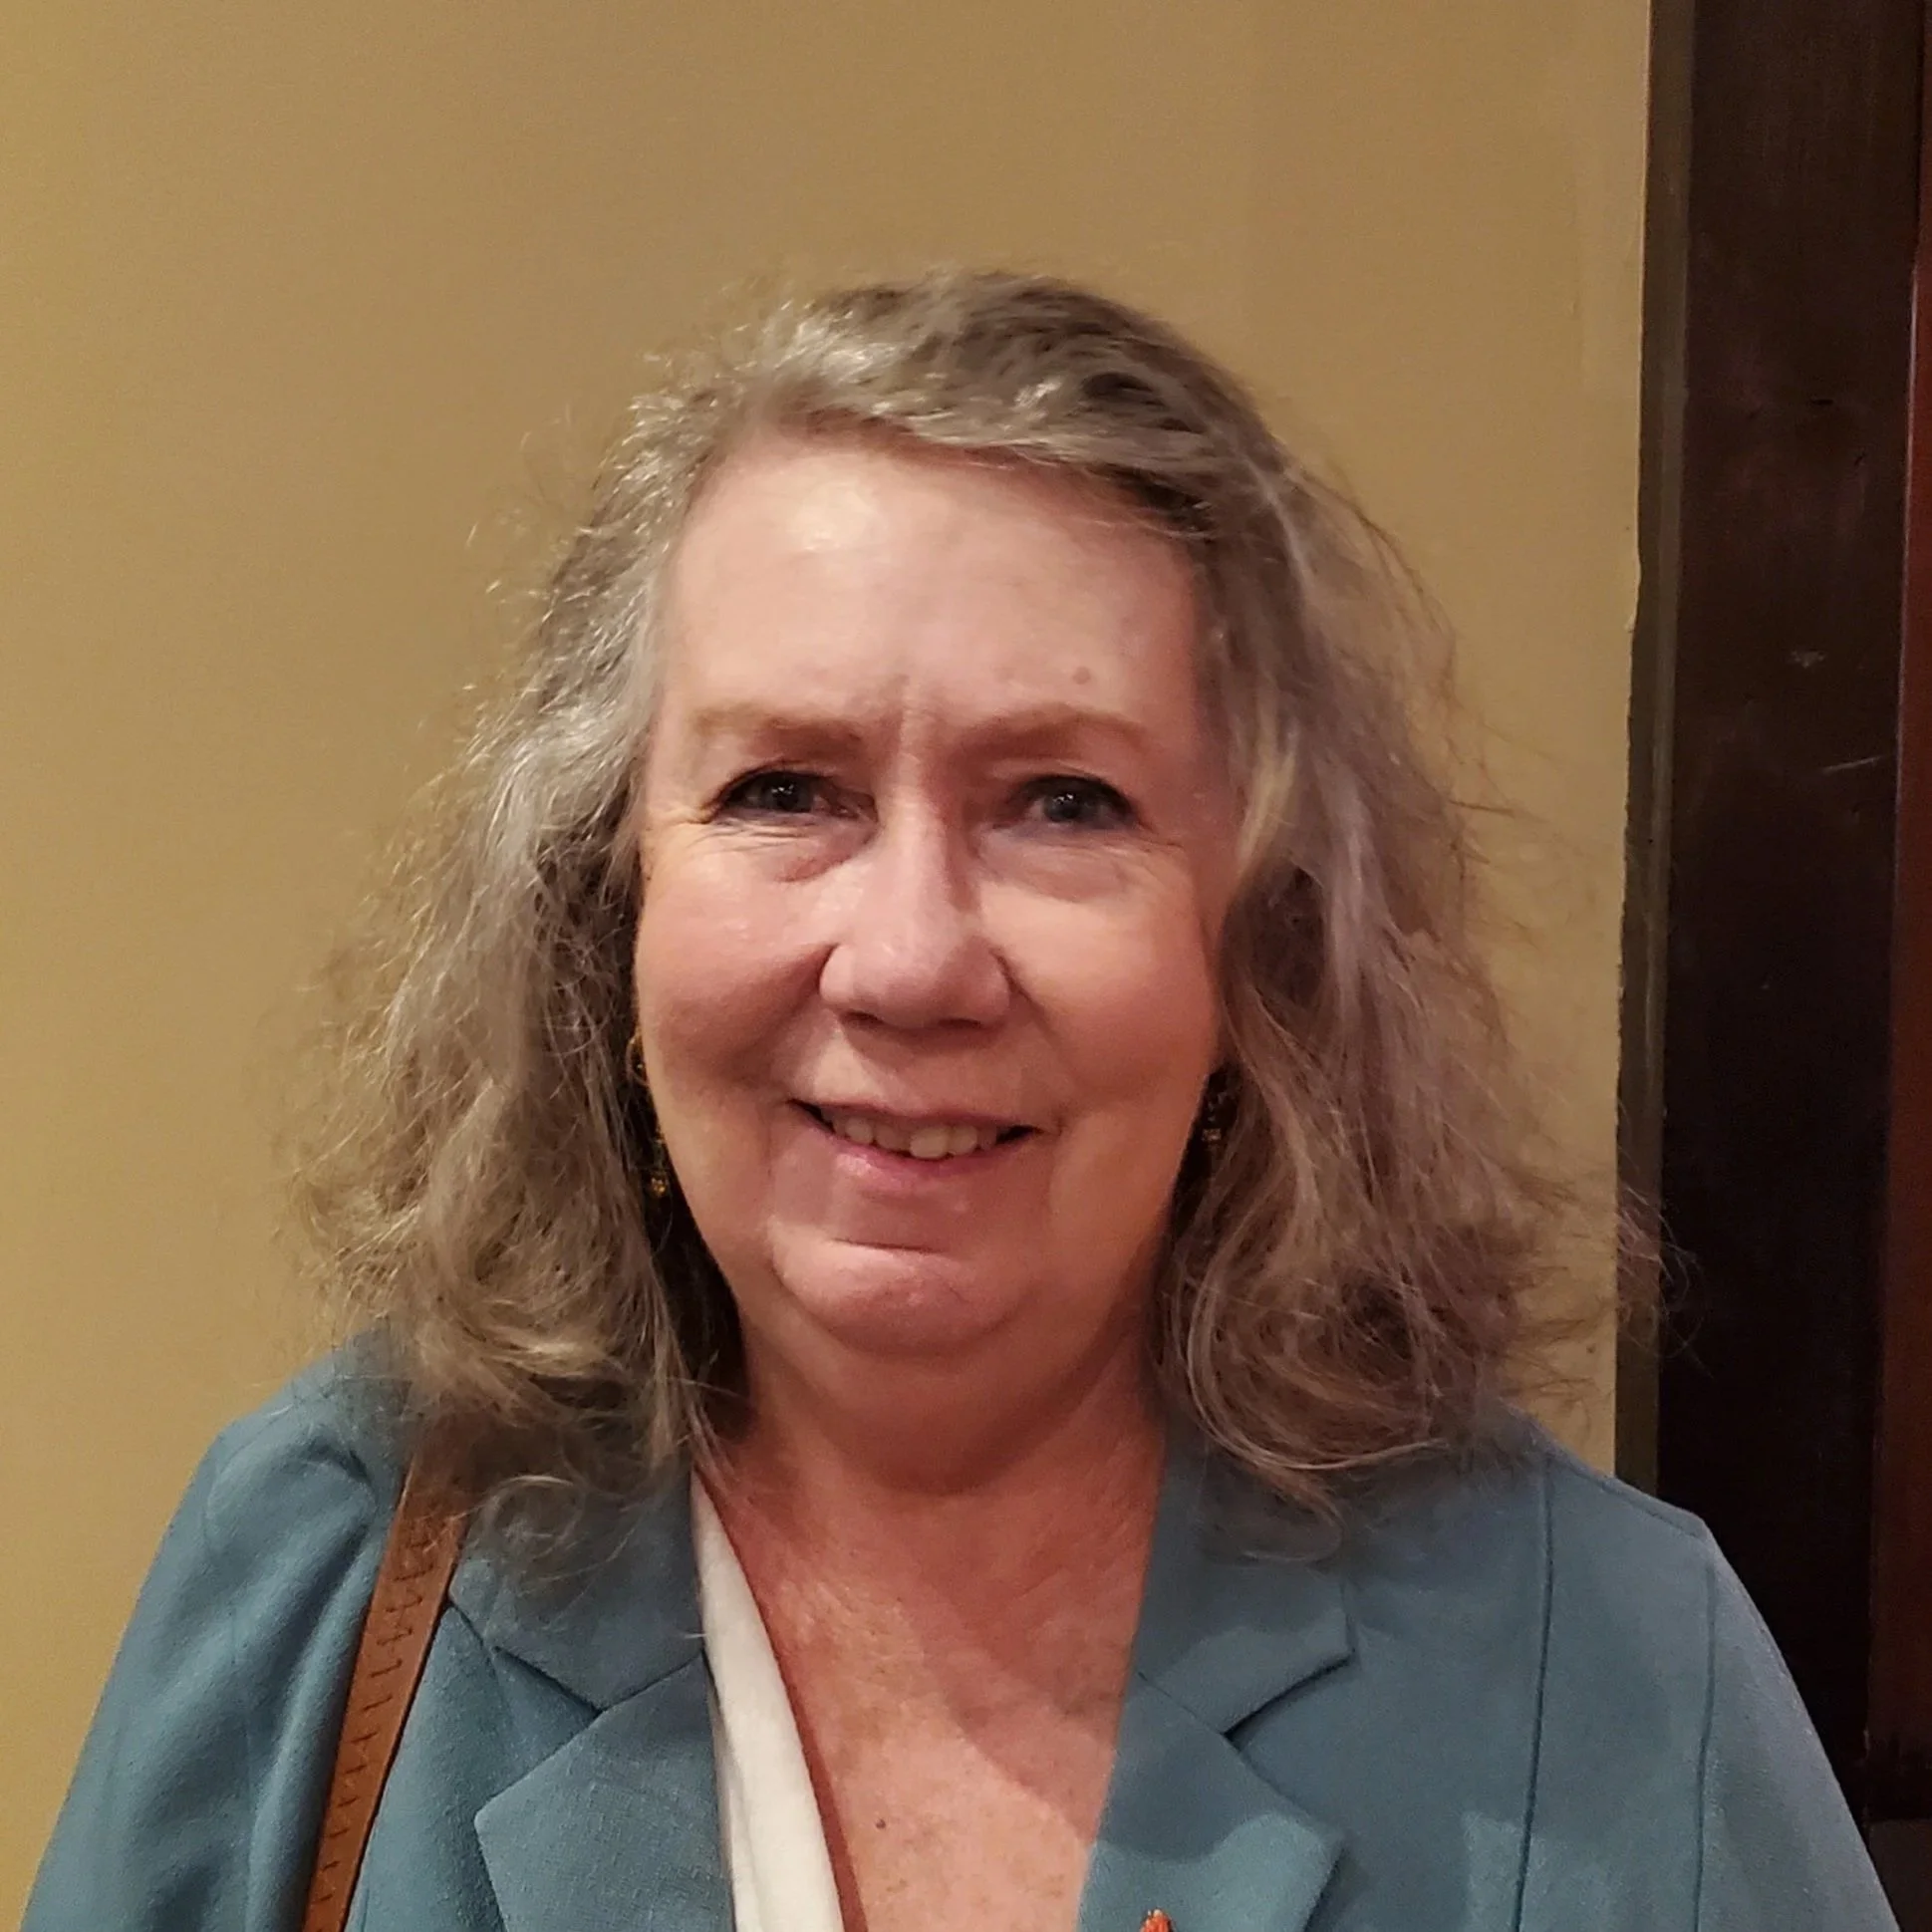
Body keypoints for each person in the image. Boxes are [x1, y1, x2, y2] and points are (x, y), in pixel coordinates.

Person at [26, 270, 1897, 1932]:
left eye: (1063, 800)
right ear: (610, 908)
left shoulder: (1615, 1663)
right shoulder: (327, 1562)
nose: (908, 958)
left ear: (1258, 950)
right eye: (784, 789)